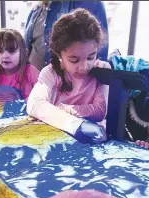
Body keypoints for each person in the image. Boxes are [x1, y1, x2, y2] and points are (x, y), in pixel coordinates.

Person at [27, 8, 111, 144]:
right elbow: (34, 104)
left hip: (92, 140)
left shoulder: (101, 70)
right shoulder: (51, 72)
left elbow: (100, 110)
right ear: (60, 55)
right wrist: (75, 124)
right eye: (74, 60)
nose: (84, 66)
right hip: (57, 139)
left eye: (91, 57)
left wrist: (66, 109)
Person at [24, 1, 108, 71]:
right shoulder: (36, 10)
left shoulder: (90, 3)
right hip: (34, 83)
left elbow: (99, 49)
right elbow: (25, 48)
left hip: (67, 85)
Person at [0, 29, 40, 100]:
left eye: (11, 51)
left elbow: (44, 94)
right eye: (0, 51)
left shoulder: (30, 71)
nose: (5, 55)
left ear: (23, 52)